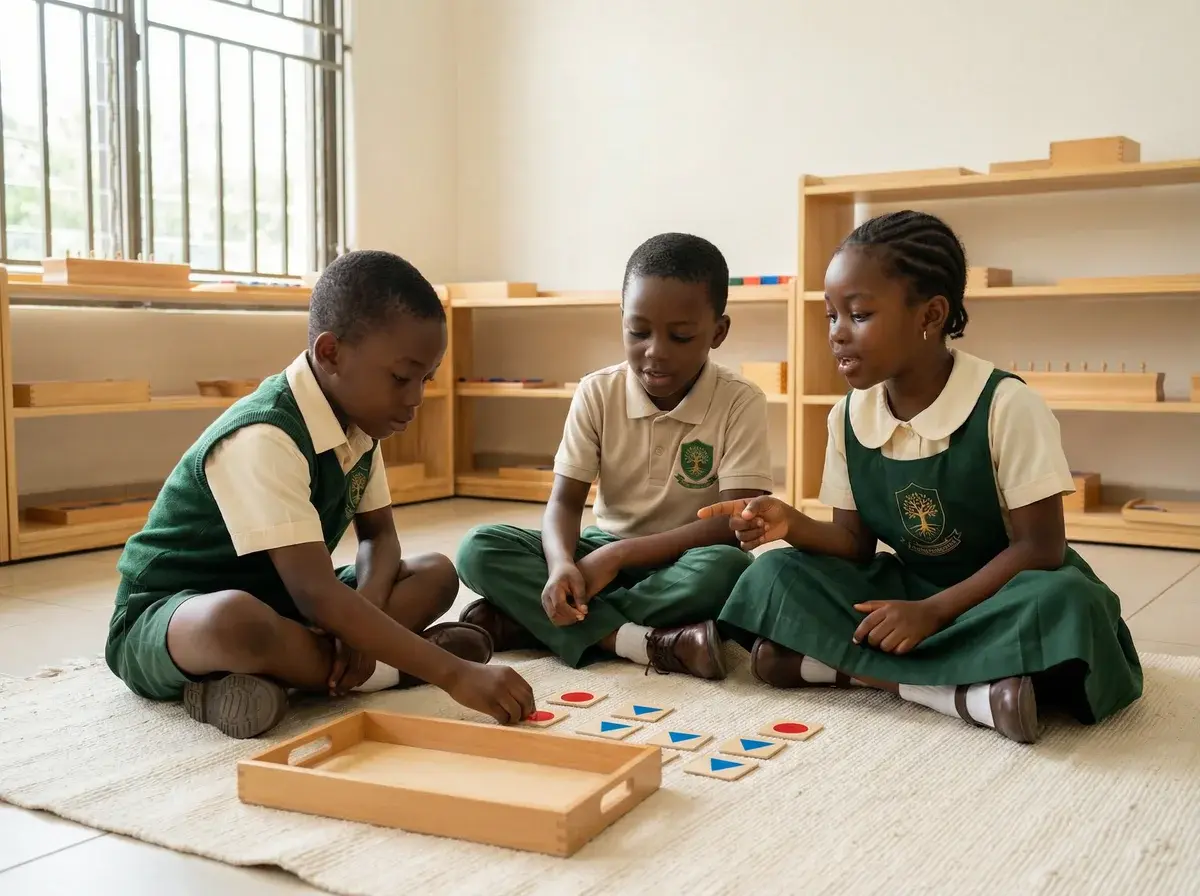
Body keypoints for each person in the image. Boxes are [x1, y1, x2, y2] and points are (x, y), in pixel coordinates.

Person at [703, 210, 1142, 744]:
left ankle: (834, 670)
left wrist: (933, 613)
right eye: (830, 316)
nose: (837, 335)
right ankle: (969, 693)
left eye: (859, 315)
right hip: (909, 587)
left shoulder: (1006, 405)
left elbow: (1042, 549)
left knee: (1070, 603)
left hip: (1000, 593)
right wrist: (789, 523)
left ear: (930, 313)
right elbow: (854, 543)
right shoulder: (847, 416)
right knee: (775, 575)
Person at [105, 250, 534, 738]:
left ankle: (278, 681)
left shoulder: (359, 425)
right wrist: (452, 672)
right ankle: (393, 673)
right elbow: (314, 594)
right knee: (233, 621)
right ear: (330, 354)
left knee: (434, 572)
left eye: (426, 378)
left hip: (287, 603)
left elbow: (379, 539)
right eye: (400, 377)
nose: (415, 397)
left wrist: (364, 617)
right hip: (172, 617)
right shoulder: (265, 435)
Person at [455, 232, 774, 678]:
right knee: (477, 547)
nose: (655, 352)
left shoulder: (741, 400)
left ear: (718, 332)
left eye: (680, 336)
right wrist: (564, 563)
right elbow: (565, 502)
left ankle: (533, 624)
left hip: (680, 562)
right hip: (599, 553)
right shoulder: (597, 391)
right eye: (638, 332)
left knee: (731, 569)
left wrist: (621, 556)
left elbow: (733, 523)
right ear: (621, 318)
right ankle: (636, 639)